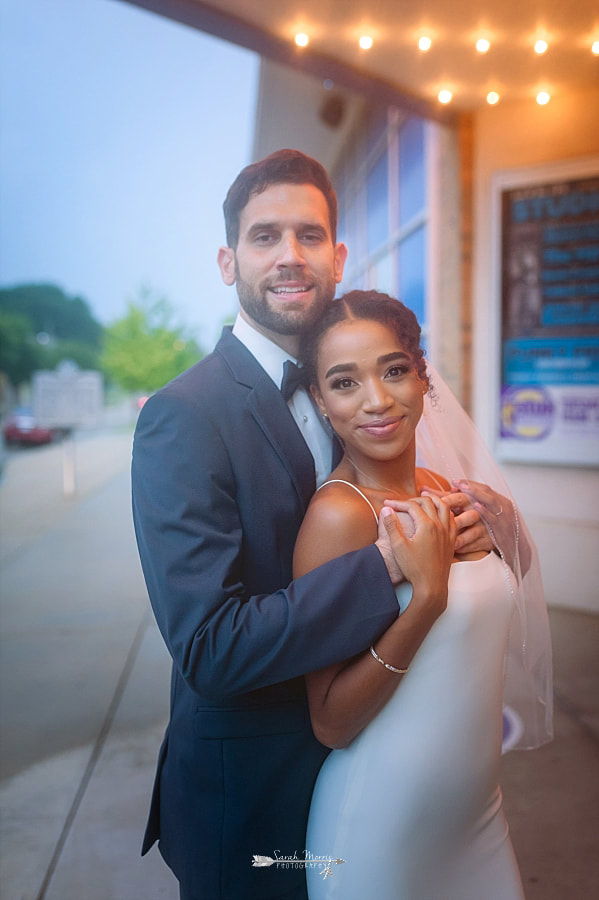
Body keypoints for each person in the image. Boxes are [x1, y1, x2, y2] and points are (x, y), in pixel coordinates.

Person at [132, 149, 504, 900]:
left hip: (383, 767)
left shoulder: (354, 378)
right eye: (264, 236)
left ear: (337, 255)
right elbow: (209, 647)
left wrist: (479, 514)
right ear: (226, 259)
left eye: (308, 235)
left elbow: (407, 481)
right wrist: (392, 564)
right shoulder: (186, 416)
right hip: (254, 798)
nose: (289, 256)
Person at [293, 290, 553, 900]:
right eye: (345, 382)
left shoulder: (448, 490)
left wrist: (509, 528)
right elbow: (329, 721)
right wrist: (428, 598)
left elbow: (504, 595)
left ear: (422, 375)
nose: (377, 400)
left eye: (393, 370)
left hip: (477, 814)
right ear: (322, 403)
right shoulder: (340, 517)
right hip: (380, 832)